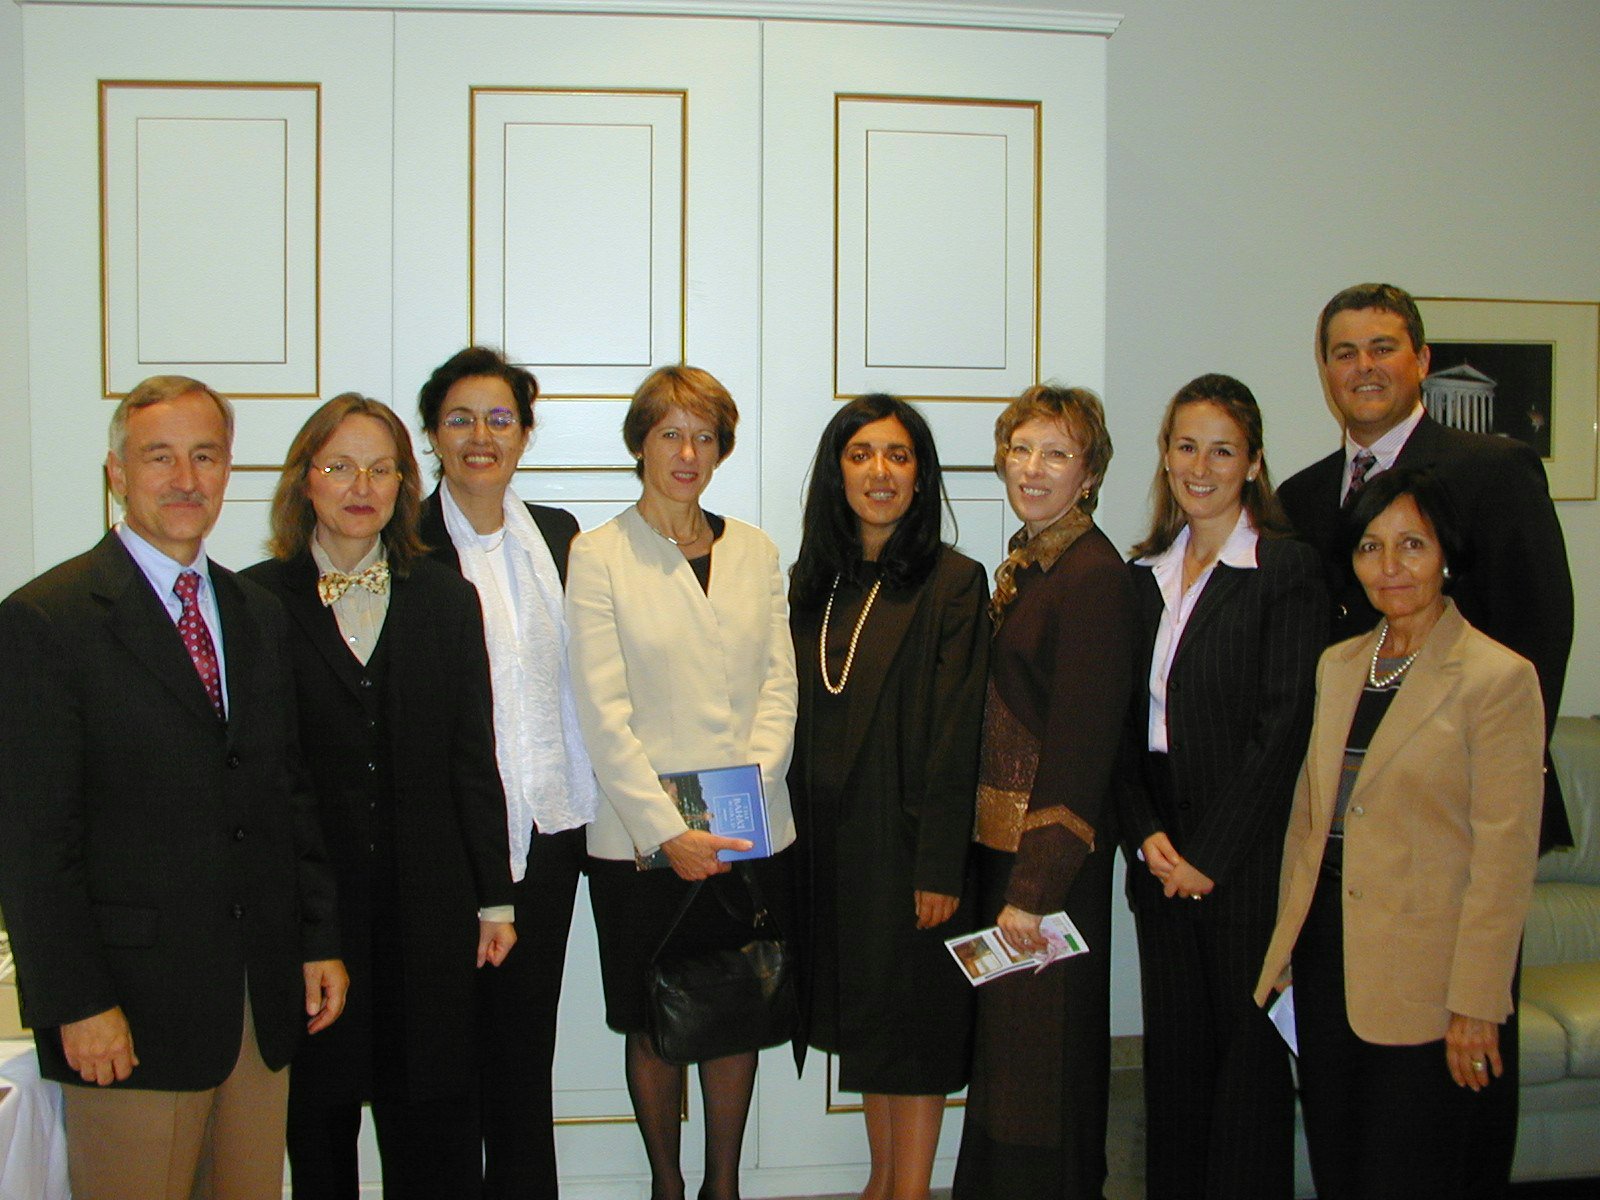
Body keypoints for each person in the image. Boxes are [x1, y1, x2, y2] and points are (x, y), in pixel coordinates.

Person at [0, 375, 348, 1200]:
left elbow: (285, 794)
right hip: (126, 1016)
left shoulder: (256, 611)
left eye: (205, 456)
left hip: (257, 1010)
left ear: (229, 472)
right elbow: (32, 841)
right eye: (160, 458)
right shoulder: (48, 621)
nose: (186, 479)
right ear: (117, 472)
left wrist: (315, 938)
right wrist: (76, 1003)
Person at [243, 394, 516, 1198]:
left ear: (404, 482)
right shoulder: (256, 603)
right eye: (338, 466)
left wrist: (494, 898)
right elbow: (262, 777)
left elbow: (474, 755)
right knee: (318, 1129)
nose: (361, 485)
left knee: (430, 1126)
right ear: (305, 481)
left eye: (382, 467)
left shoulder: (444, 597)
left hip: (429, 911)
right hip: (309, 918)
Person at [1255, 467, 1545, 1200]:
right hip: (1327, 960)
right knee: (1339, 1165)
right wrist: (1286, 946)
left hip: (1428, 974)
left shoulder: (1497, 677)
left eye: (1411, 545)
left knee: (1408, 1170)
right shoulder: (1339, 664)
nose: (1390, 567)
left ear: (1445, 554)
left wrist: (1478, 1002)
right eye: (1371, 547)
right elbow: (1309, 820)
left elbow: (1504, 858)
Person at [566, 364, 798, 1200]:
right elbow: (602, 709)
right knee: (654, 1019)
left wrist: (740, 804)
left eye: (705, 435)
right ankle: (667, 1185)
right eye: (670, 432)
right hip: (640, 842)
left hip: (748, 828)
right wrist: (670, 828)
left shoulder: (757, 550)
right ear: (641, 443)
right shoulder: (597, 556)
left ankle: (723, 1186)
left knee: (734, 1004)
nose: (687, 452)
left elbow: (781, 685)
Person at [1117, 374, 1325, 1199]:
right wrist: (1143, 834)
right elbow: (1118, 727)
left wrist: (1211, 855)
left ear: (1254, 463)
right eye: (1186, 445)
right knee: (1173, 1065)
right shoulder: (1144, 571)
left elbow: (1284, 730)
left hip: (1241, 860)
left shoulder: (1287, 569)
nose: (1201, 465)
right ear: (1166, 456)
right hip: (1158, 846)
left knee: (1245, 1068)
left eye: (1222, 449)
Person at [1277, 282, 1572, 854]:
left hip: (1458, 798)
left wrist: (1500, 779)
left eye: (1382, 348)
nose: (1364, 367)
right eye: (1344, 353)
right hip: (1337, 799)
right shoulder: (1301, 496)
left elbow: (1540, 635)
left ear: (1422, 359)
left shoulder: (1496, 471)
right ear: (1326, 370)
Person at [788, 395, 988, 1200]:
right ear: (837, 471)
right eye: (862, 453)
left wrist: (939, 865)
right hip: (831, 848)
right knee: (870, 1025)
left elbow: (958, 735)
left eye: (899, 456)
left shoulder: (953, 582)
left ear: (920, 475)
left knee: (914, 1030)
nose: (880, 472)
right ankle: (879, 1182)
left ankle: (909, 1190)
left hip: (908, 848)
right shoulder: (812, 581)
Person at [415, 345, 598, 1200]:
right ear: (432, 435)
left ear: (524, 433)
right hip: (444, 847)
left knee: (526, 1056)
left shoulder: (559, 537)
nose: (480, 436)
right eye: (459, 418)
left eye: (499, 418)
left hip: (550, 830)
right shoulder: (404, 544)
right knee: (445, 1061)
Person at [952, 384, 1135, 1200]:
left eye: (1056, 453)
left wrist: (1031, 893)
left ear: (1088, 473)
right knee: (1011, 1071)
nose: (1033, 467)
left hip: (1048, 875)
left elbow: (1083, 748)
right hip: (1007, 862)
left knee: (1044, 1080)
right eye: (1021, 448)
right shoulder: (1031, 562)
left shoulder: (1095, 577)